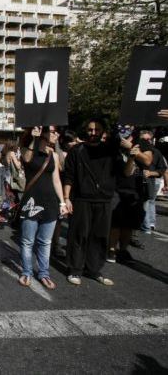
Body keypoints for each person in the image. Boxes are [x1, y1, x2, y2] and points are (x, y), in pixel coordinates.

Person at [63, 119, 150, 286]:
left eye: (97, 130)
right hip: (82, 200)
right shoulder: (77, 150)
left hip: (104, 200)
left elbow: (125, 172)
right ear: (86, 131)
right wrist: (66, 199)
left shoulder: (111, 151)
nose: (93, 133)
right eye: (90, 130)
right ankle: (75, 269)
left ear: (103, 132)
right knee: (79, 235)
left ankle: (94, 270)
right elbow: (69, 176)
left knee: (99, 236)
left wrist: (132, 158)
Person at [18, 126, 68, 289]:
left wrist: (62, 202)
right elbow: (26, 159)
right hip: (31, 203)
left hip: (50, 203)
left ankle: (44, 273)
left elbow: (56, 181)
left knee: (45, 242)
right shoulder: (28, 149)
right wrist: (33, 138)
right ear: (43, 133)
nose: (56, 134)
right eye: (53, 131)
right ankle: (27, 272)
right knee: (27, 241)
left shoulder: (52, 154)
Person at [107, 127, 153, 263]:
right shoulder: (114, 139)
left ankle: (123, 250)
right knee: (115, 222)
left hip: (134, 189)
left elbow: (148, 161)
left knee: (129, 223)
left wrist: (132, 147)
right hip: (116, 186)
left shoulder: (142, 142)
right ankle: (111, 249)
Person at [139, 130, 165, 234]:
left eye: (149, 139)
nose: (147, 142)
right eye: (144, 140)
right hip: (133, 184)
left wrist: (151, 173)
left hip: (148, 184)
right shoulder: (133, 150)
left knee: (148, 203)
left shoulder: (156, 152)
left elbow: (162, 169)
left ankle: (147, 227)